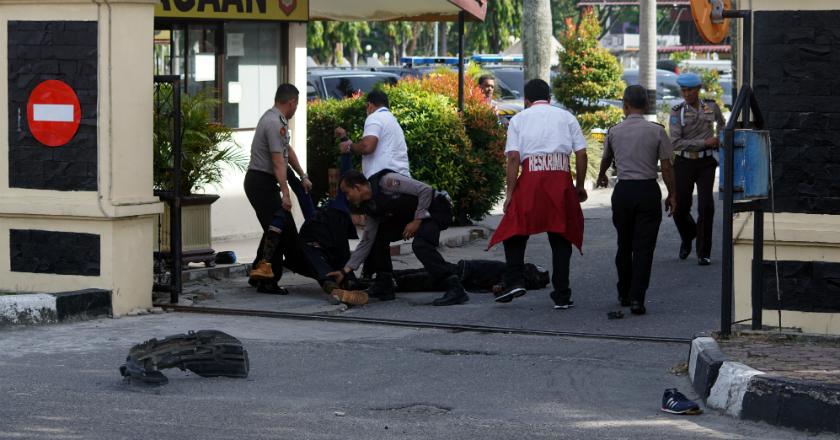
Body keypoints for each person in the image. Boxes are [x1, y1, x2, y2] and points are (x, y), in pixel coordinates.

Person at [488, 78, 587, 309]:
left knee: (514, 231)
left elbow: (513, 158)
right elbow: (581, 155)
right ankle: (562, 294)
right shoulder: (566, 117)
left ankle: (514, 281)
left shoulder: (519, 120)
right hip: (560, 178)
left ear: (526, 100)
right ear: (550, 99)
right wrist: (579, 186)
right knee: (561, 236)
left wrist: (510, 194)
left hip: (532, 177)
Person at [327, 169, 469, 306]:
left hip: (436, 209)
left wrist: (417, 220)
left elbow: (426, 190)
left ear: (357, 187)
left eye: (347, 193)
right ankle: (385, 285)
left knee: (421, 245)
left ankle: (455, 288)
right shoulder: (370, 206)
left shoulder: (387, 181)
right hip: (413, 217)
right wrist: (345, 270)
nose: (347, 198)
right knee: (378, 237)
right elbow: (366, 241)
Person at [596, 85, 677, 315]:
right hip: (647, 191)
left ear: (625, 105)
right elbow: (667, 167)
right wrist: (673, 194)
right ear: (647, 106)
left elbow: (605, 159)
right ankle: (637, 299)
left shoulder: (614, 131)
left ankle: (623, 291)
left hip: (623, 192)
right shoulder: (657, 131)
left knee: (624, 244)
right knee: (644, 248)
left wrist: (602, 176)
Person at [244, 83, 304, 293]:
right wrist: (286, 194)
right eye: (297, 104)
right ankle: (268, 280)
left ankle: (257, 273)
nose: (297, 108)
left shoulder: (277, 121)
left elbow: (287, 149)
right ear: (292, 102)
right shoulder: (273, 123)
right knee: (280, 229)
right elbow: (279, 163)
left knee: (274, 228)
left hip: (262, 182)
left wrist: (302, 175)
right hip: (260, 183)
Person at [670, 72, 726, 266]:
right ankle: (688, 236)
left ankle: (704, 252)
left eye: (690, 90)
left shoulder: (710, 106)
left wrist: (720, 138)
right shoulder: (677, 112)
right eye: (683, 90)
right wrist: (705, 142)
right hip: (684, 163)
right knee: (680, 208)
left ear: (698, 89)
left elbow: (722, 124)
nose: (686, 94)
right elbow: (676, 143)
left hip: (706, 163)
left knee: (706, 207)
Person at [334, 89, 410, 179]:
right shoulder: (393, 121)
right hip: (402, 179)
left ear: (370, 105)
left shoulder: (374, 117)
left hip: (384, 180)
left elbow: (367, 147)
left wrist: (350, 147)